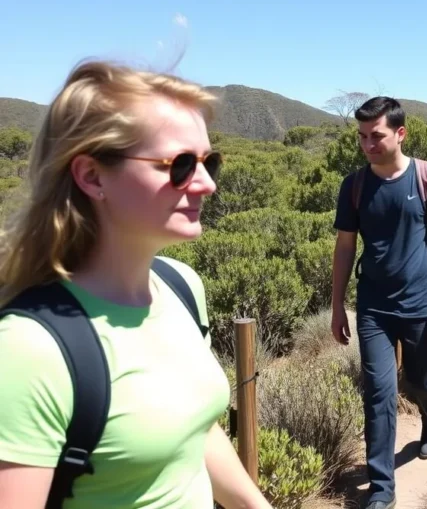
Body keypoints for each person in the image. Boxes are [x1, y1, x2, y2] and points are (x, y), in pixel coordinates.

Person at [0, 60, 273, 509]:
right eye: (180, 164)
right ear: (92, 176)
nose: (207, 184)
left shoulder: (180, 286)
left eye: (209, 162)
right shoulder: (29, 348)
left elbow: (193, 429)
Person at [331, 97, 427, 509]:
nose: (367, 144)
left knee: (421, 381)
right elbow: (345, 247)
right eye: (362, 137)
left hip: (421, 302)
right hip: (373, 307)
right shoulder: (354, 186)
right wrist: (337, 305)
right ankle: (382, 487)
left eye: (376, 136)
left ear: (400, 133)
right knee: (379, 394)